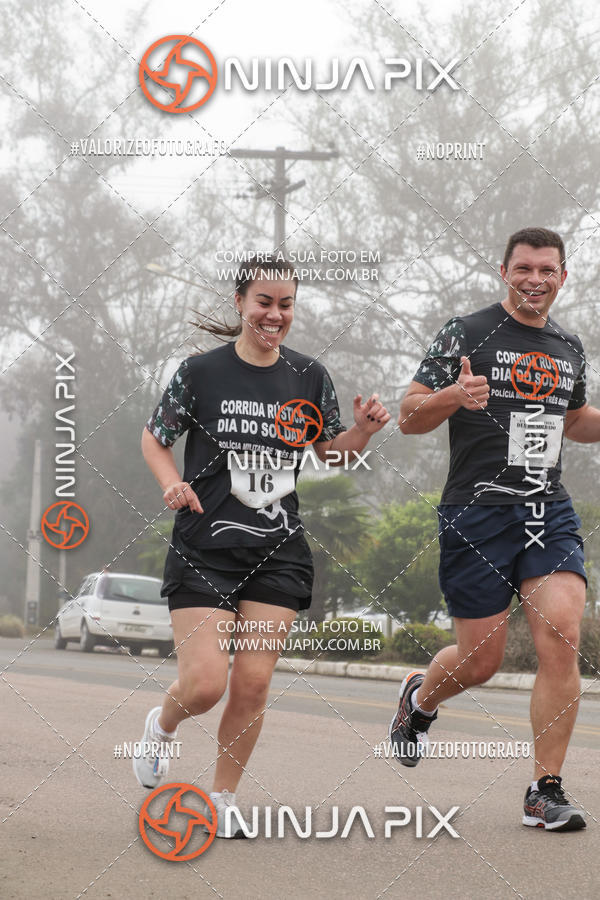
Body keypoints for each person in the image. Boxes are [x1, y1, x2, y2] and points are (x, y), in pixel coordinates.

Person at [134, 254, 390, 837]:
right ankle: (163, 725)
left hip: (278, 551)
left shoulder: (309, 376)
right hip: (205, 546)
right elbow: (155, 439)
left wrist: (367, 432)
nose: (275, 315)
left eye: (286, 304)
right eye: (264, 303)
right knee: (204, 686)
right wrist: (171, 482)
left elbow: (332, 455)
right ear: (241, 303)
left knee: (252, 684)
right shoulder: (200, 372)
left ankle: (222, 799)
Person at [390, 226, 600, 832]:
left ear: (564, 276)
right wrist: (454, 394)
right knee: (480, 661)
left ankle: (545, 789)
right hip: (477, 510)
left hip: (546, 508)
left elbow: (577, 418)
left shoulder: (569, 345)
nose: (536, 279)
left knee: (561, 633)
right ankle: (420, 699)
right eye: (524, 269)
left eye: (547, 270)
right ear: (503, 271)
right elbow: (408, 416)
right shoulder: (467, 331)